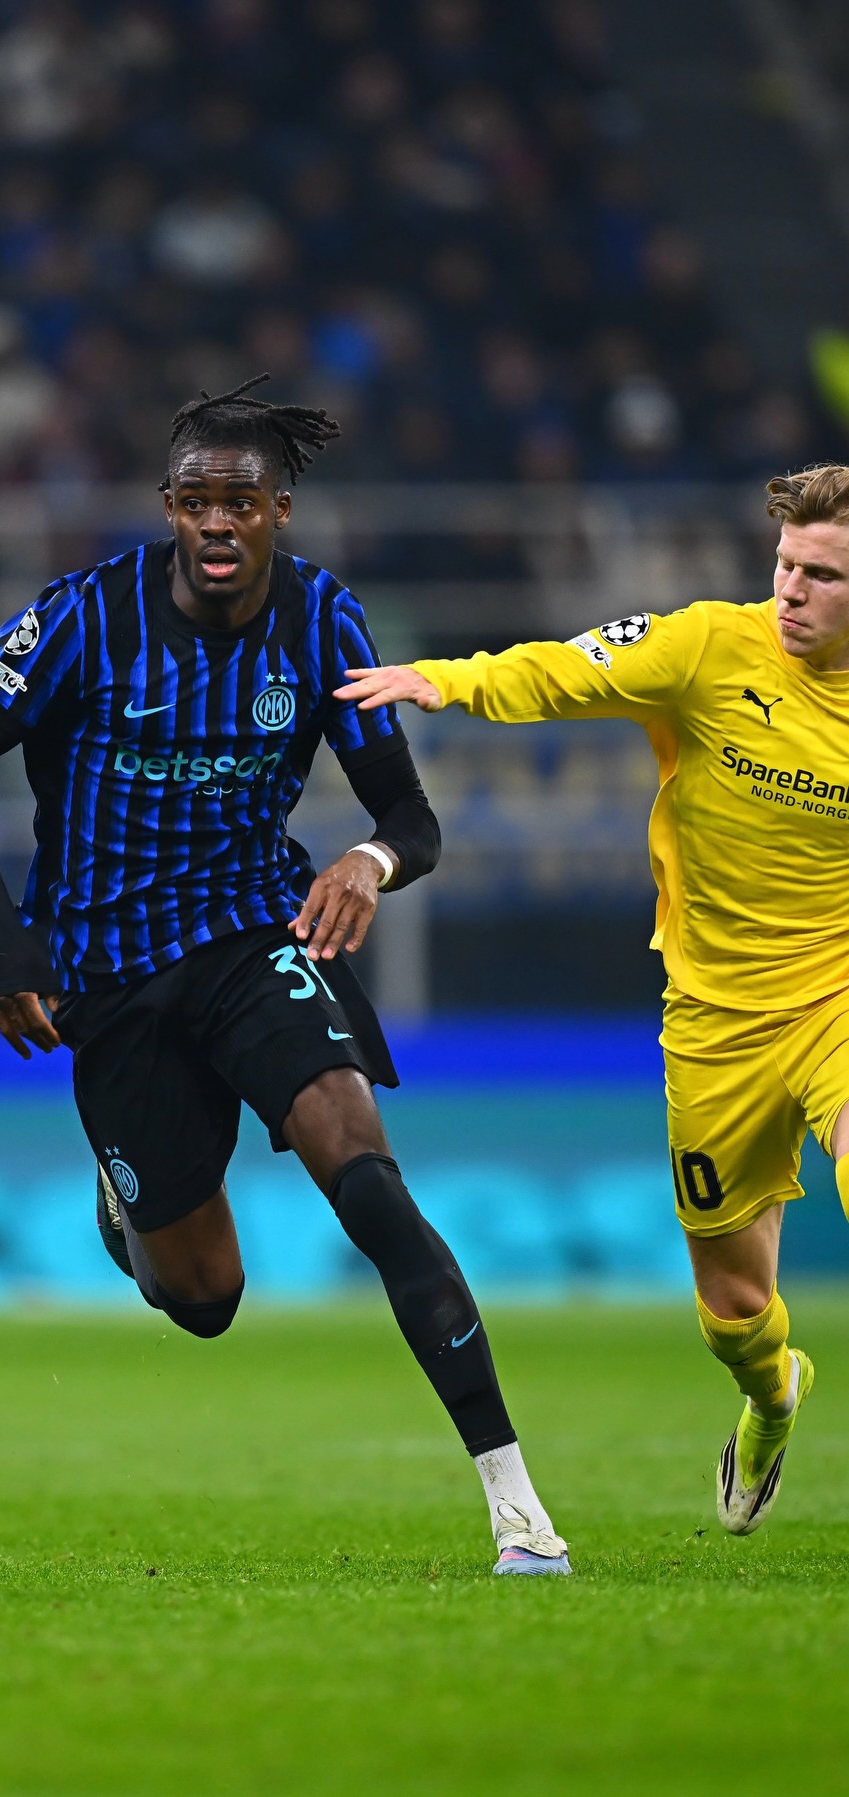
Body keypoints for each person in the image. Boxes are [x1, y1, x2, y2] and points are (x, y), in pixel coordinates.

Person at [0, 375, 570, 1574]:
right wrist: (2, 941)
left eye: (243, 501)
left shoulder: (323, 624)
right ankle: (130, 1210)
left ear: (281, 511)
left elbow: (411, 818)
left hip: (256, 936)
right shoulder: (81, 618)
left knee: (369, 1185)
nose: (218, 521)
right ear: (169, 508)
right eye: (196, 500)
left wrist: (370, 860)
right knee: (205, 1297)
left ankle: (519, 1512)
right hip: (109, 970)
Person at [337, 461, 849, 1536]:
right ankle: (772, 1399)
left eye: (823, 576)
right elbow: (568, 669)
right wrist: (447, 681)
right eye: (786, 564)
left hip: (837, 996)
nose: (791, 591)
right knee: (734, 1313)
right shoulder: (710, 646)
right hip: (715, 1018)